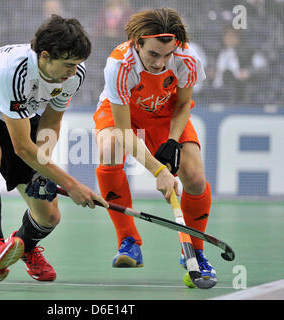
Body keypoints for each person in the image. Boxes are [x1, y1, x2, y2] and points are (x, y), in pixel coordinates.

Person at [0, 14, 108, 283]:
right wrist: (73, 185)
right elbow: (22, 147)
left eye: (77, 64)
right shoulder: (15, 71)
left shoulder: (73, 74)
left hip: (19, 117)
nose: (72, 71)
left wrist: (43, 167)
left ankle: (23, 246)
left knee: (50, 216)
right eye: (67, 64)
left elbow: (51, 122)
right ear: (45, 56)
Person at [93, 8, 216, 282]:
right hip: (125, 112)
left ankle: (194, 253)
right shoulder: (119, 65)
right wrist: (159, 171)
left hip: (166, 113)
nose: (161, 63)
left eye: (167, 55)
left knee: (195, 178)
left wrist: (172, 141)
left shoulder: (187, 58)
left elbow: (183, 104)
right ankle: (128, 242)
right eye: (153, 54)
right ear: (138, 43)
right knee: (109, 147)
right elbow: (125, 131)